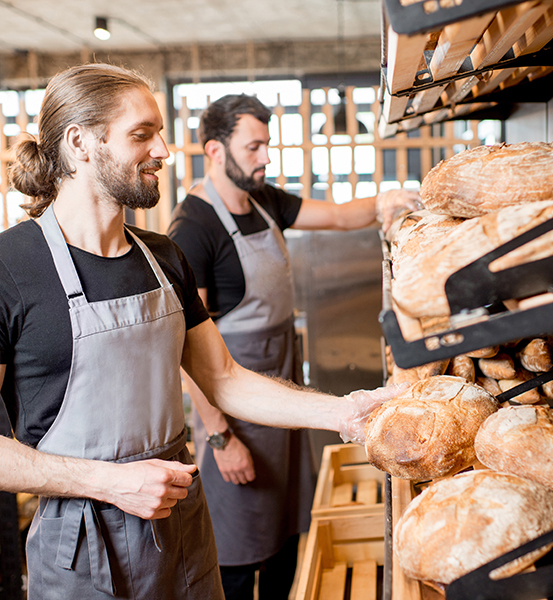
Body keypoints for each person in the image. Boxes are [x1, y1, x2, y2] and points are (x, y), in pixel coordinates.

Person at [0, 63, 408, 600]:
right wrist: (110, 483)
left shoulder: (163, 257)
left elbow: (223, 378)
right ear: (80, 143)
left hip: (181, 526)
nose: (165, 151)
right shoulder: (11, 266)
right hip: (80, 547)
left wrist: (342, 412)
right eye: (142, 135)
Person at [167, 94, 421, 600]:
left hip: (281, 391)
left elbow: (339, 217)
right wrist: (221, 439)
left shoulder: (264, 200)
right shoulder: (192, 228)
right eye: (254, 146)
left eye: (267, 144)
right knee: (240, 550)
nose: (265, 157)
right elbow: (186, 355)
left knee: (285, 535)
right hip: (234, 410)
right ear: (215, 150)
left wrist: (384, 203)